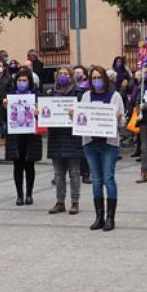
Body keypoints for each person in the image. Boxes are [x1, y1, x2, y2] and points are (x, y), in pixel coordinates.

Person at [78, 65, 124, 231]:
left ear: (105, 78)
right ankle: (99, 217)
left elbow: (123, 122)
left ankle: (110, 217)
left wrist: (119, 117)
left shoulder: (115, 96)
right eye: (94, 78)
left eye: (99, 77)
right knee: (96, 180)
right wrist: (73, 115)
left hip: (108, 144)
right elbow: (81, 118)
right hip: (90, 143)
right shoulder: (86, 96)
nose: (97, 81)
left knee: (108, 178)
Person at [46, 67, 84, 215]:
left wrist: (77, 112)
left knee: (74, 173)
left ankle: (75, 202)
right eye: (60, 74)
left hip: (73, 137)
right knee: (58, 174)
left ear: (71, 76)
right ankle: (60, 201)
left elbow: (84, 113)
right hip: (55, 137)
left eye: (66, 74)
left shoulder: (78, 93)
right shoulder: (50, 94)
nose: (63, 76)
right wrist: (38, 114)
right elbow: (45, 113)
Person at [5, 69, 42, 206]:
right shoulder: (10, 96)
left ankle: (29, 194)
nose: (21, 83)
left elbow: (43, 116)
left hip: (31, 135)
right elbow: (4, 119)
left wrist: (38, 112)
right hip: (15, 136)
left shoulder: (36, 95)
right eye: (19, 80)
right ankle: (19, 195)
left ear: (29, 82)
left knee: (29, 165)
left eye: (24, 80)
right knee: (17, 165)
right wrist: (4, 107)